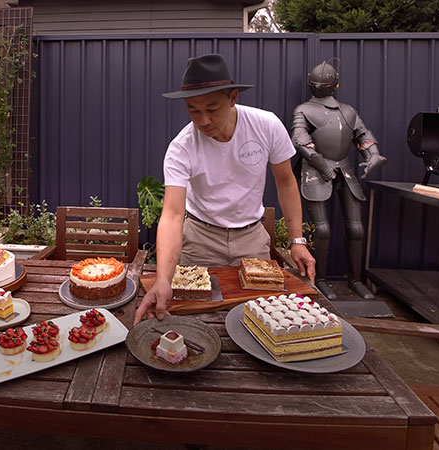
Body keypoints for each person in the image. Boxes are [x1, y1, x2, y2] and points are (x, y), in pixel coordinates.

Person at [134, 53, 315, 325]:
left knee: (261, 319)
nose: (203, 120)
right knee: (195, 321)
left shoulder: (266, 125)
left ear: (232, 98)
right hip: (199, 240)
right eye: (193, 110)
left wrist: (297, 241)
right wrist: (162, 279)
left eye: (212, 108)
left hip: (252, 238)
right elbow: (172, 215)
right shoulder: (181, 148)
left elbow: (286, 182)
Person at [290, 61, 387, 301]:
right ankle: (320, 279)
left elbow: (363, 134)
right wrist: (321, 165)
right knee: (322, 230)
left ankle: (354, 279)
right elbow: (299, 139)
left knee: (356, 229)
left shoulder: (348, 111)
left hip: (345, 168)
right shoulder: (304, 109)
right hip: (315, 169)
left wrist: (372, 155)